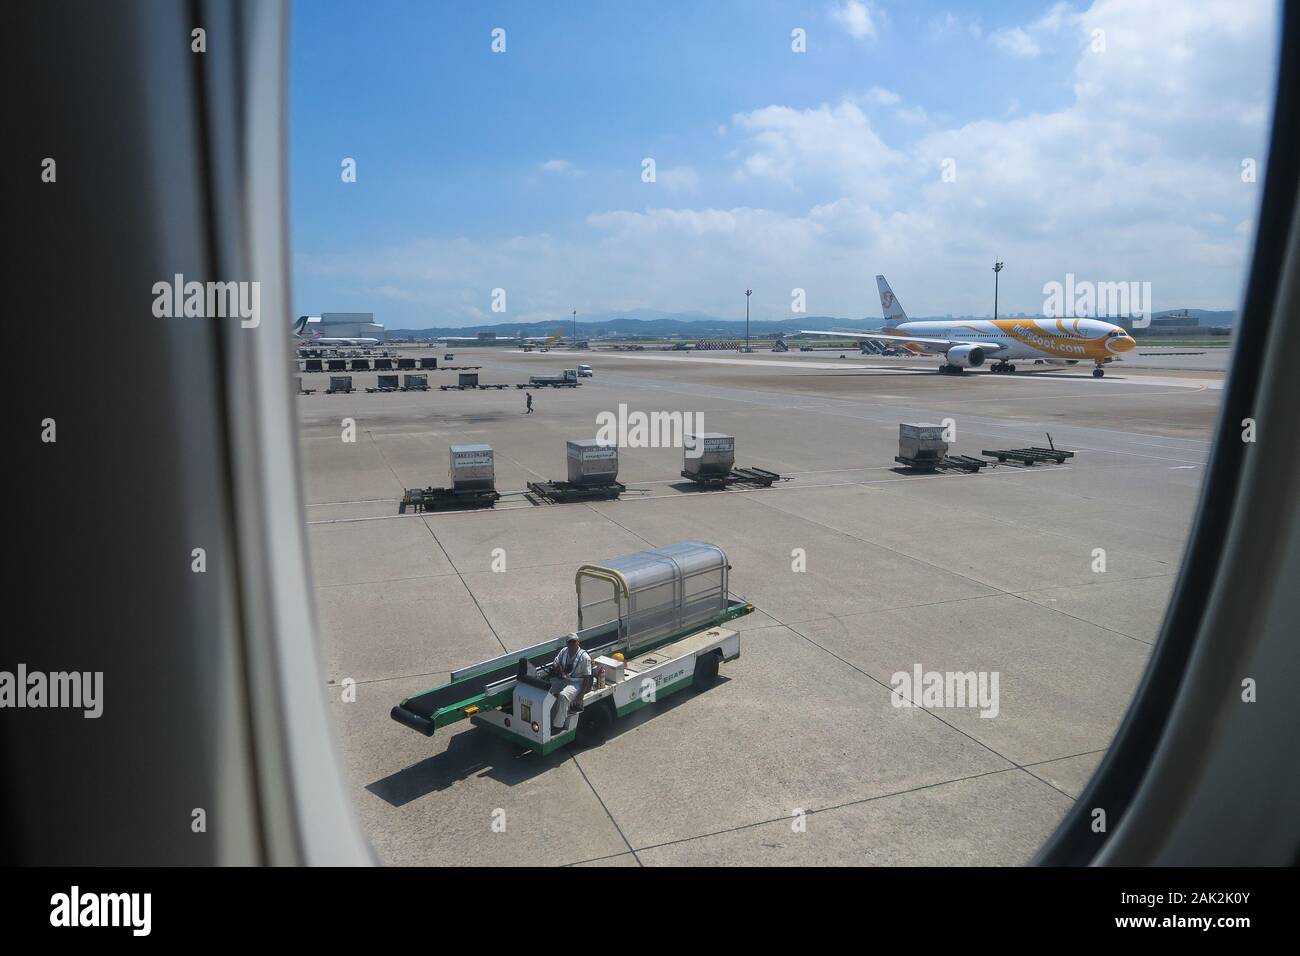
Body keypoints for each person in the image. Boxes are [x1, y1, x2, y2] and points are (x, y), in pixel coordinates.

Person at [549, 634, 591, 731]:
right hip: (563, 679)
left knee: (563, 696)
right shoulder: (564, 651)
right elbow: (555, 663)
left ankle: (558, 725)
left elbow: (587, 677)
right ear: (567, 643)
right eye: (569, 642)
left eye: (574, 641)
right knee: (547, 690)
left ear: (578, 642)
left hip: (577, 683)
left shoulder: (584, 657)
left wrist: (581, 695)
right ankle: (548, 719)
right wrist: (561, 672)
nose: (572, 644)